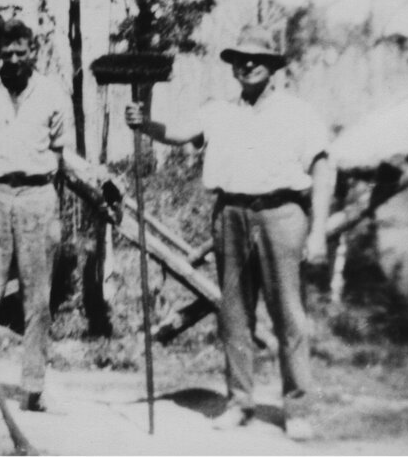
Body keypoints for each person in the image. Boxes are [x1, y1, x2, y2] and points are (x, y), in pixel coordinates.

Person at [124, 25, 332, 441]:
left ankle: (297, 407)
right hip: (230, 214)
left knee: (288, 312)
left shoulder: (299, 112)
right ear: (233, 66)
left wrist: (320, 232)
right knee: (233, 313)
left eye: (257, 57)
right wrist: (144, 124)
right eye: (240, 57)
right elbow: (180, 134)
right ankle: (240, 402)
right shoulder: (217, 110)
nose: (248, 63)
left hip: (282, 214)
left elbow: (323, 167)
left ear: (273, 66)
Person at [0, 19, 71, 415]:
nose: (12, 59)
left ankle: (34, 386)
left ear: (33, 52)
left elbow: (58, 149)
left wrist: (36, 186)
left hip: (37, 193)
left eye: (19, 52)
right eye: (5, 53)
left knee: (37, 297)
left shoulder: (53, 93)